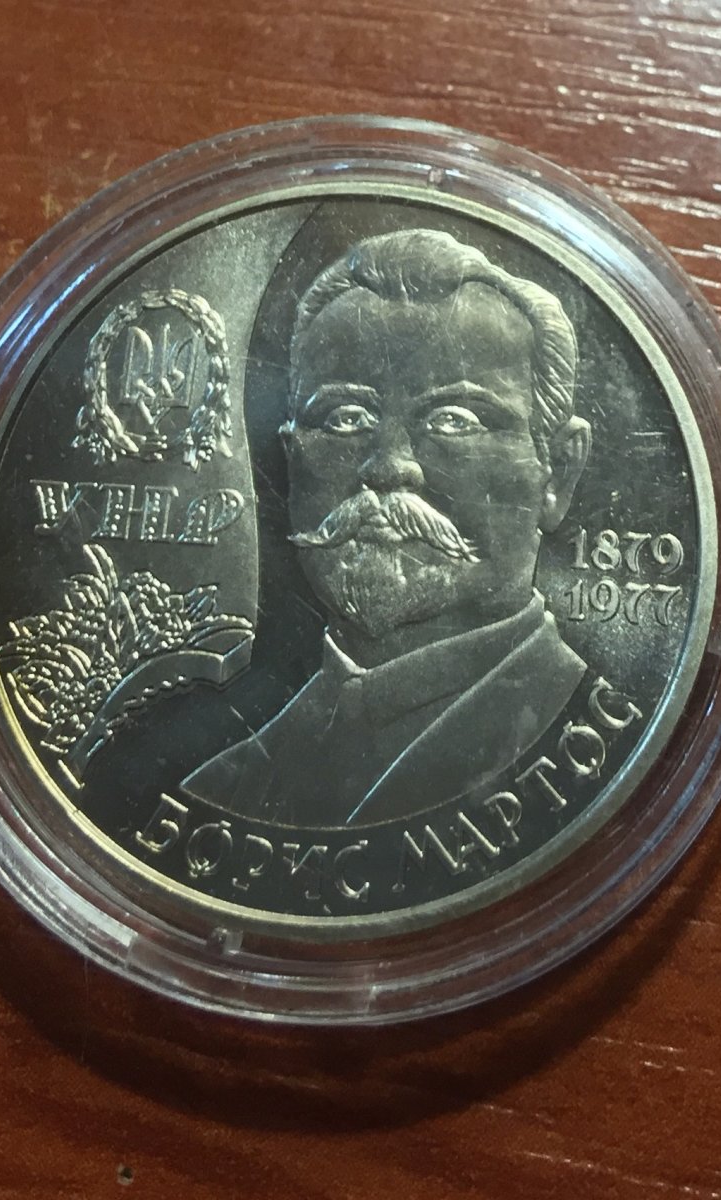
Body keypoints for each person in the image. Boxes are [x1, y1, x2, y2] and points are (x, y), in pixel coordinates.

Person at [181, 228, 592, 826]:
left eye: (455, 420)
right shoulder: (223, 784)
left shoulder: (577, 731)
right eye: (345, 418)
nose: (388, 466)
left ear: (559, 472)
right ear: (292, 459)